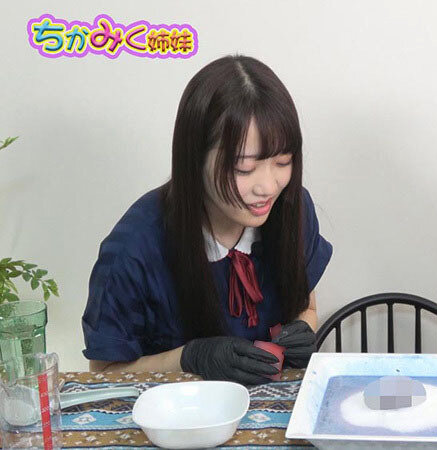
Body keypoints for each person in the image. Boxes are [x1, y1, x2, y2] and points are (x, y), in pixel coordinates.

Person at [82, 55, 332, 384]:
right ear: (194, 157)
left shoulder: (292, 208)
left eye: (283, 161)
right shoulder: (134, 248)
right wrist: (188, 358)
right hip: (178, 414)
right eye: (244, 168)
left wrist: (303, 328)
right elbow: (103, 373)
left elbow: (306, 305)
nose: (268, 187)